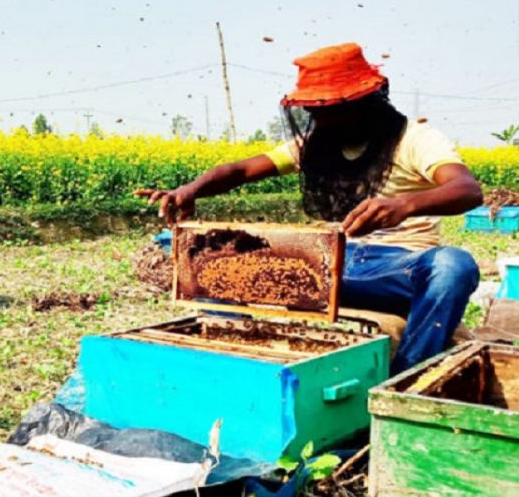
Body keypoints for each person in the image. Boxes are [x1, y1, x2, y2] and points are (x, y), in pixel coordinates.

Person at [137, 42, 483, 373]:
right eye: (316, 111)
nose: (323, 120)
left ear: (366, 102)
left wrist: (405, 205)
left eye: (332, 110)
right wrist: (191, 189)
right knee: (216, 259)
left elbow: (467, 189)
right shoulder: (316, 145)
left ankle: (406, 378)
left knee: (453, 265)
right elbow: (241, 170)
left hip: (397, 269)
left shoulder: (417, 140)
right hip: (329, 263)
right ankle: (229, 360)